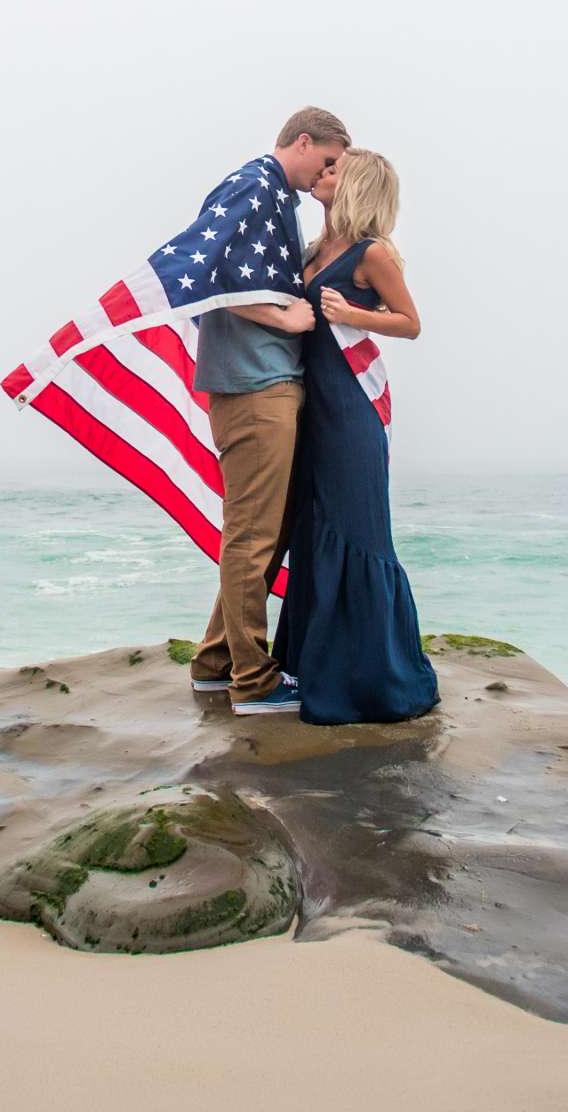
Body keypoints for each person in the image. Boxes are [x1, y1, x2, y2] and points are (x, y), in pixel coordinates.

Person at [186, 107, 350, 714]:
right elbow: (210, 272)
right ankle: (253, 682)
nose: (327, 174)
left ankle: (215, 661)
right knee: (253, 536)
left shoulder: (270, 193)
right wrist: (283, 316)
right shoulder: (254, 187)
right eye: (327, 162)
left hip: (260, 378)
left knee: (265, 530)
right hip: (255, 383)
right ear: (302, 142)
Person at [270, 149, 439, 725]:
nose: (323, 173)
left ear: (359, 184)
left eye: (335, 170)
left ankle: (372, 680)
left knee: (355, 532)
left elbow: (410, 323)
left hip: (350, 413)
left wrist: (352, 314)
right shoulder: (315, 250)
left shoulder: (375, 254)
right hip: (304, 408)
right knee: (312, 530)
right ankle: (306, 667)